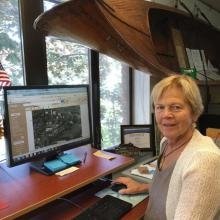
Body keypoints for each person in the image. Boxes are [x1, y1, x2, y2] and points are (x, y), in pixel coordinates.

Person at [114, 74, 220, 220]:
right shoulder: (166, 142)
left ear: (194, 113)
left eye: (176, 107)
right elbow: (173, 188)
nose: (166, 114)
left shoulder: (204, 160)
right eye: (160, 107)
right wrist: (142, 187)